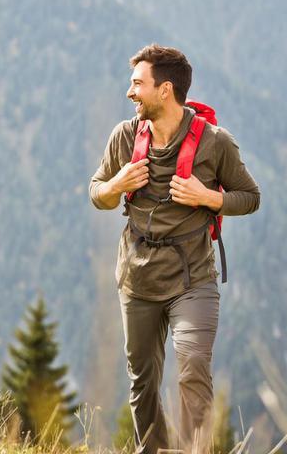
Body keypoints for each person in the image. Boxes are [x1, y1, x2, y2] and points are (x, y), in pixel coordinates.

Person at [89, 45, 260, 454]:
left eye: (137, 84)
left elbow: (250, 196)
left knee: (193, 369)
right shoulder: (125, 136)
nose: (130, 93)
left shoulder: (215, 143)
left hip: (193, 278)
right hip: (137, 276)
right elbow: (97, 192)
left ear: (165, 90)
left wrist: (208, 197)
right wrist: (117, 186)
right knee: (142, 380)